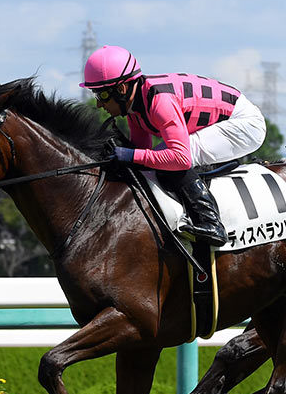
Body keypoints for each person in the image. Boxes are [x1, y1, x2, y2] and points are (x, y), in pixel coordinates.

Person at [81, 45, 266, 246]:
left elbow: (180, 158)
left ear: (121, 89)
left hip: (244, 124)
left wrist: (130, 155)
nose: (99, 104)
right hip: (224, 121)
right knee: (154, 160)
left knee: (168, 159)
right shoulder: (135, 106)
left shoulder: (159, 102)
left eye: (102, 95)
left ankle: (212, 223)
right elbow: (142, 156)